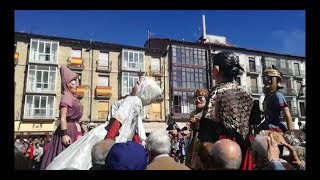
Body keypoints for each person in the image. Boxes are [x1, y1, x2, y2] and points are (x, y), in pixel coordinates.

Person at [45, 76, 163, 170]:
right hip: (119, 138)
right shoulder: (137, 102)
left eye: (138, 83)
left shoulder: (132, 100)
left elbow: (119, 118)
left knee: (83, 158)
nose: (134, 84)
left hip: (107, 135)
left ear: (143, 90)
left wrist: (108, 140)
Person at [196, 51, 254, 170]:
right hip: (246, 147)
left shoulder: (217, 91)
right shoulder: (248, 93)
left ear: (216, 69)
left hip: (224, 149)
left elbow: (207, 127)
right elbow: (255, 120)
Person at [40, 66, 83, 170]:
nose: (76, 84)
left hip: (75, 129)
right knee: (64, 156)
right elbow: (62, 118)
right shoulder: (67, 96)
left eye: (76, 81)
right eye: (72, 82)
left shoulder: (73, 97)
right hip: (68, 130)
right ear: (67, 83)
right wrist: (64, 135)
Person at [257, 66, 294, 133]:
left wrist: (291, 133)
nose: (266, 81)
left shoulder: (278, 95)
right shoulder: (267, 97)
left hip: (275, 129)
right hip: (266, 127)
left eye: (268, 78)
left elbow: (287, 114)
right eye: (265, 78)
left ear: (275, 80)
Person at [185, 89, 209, 169]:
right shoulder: (193, 113)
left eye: (200, 98)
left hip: (206, 140)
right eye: (196, 98)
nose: (197, 100)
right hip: (194, 140)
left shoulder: (210, 112)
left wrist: (199, 119)